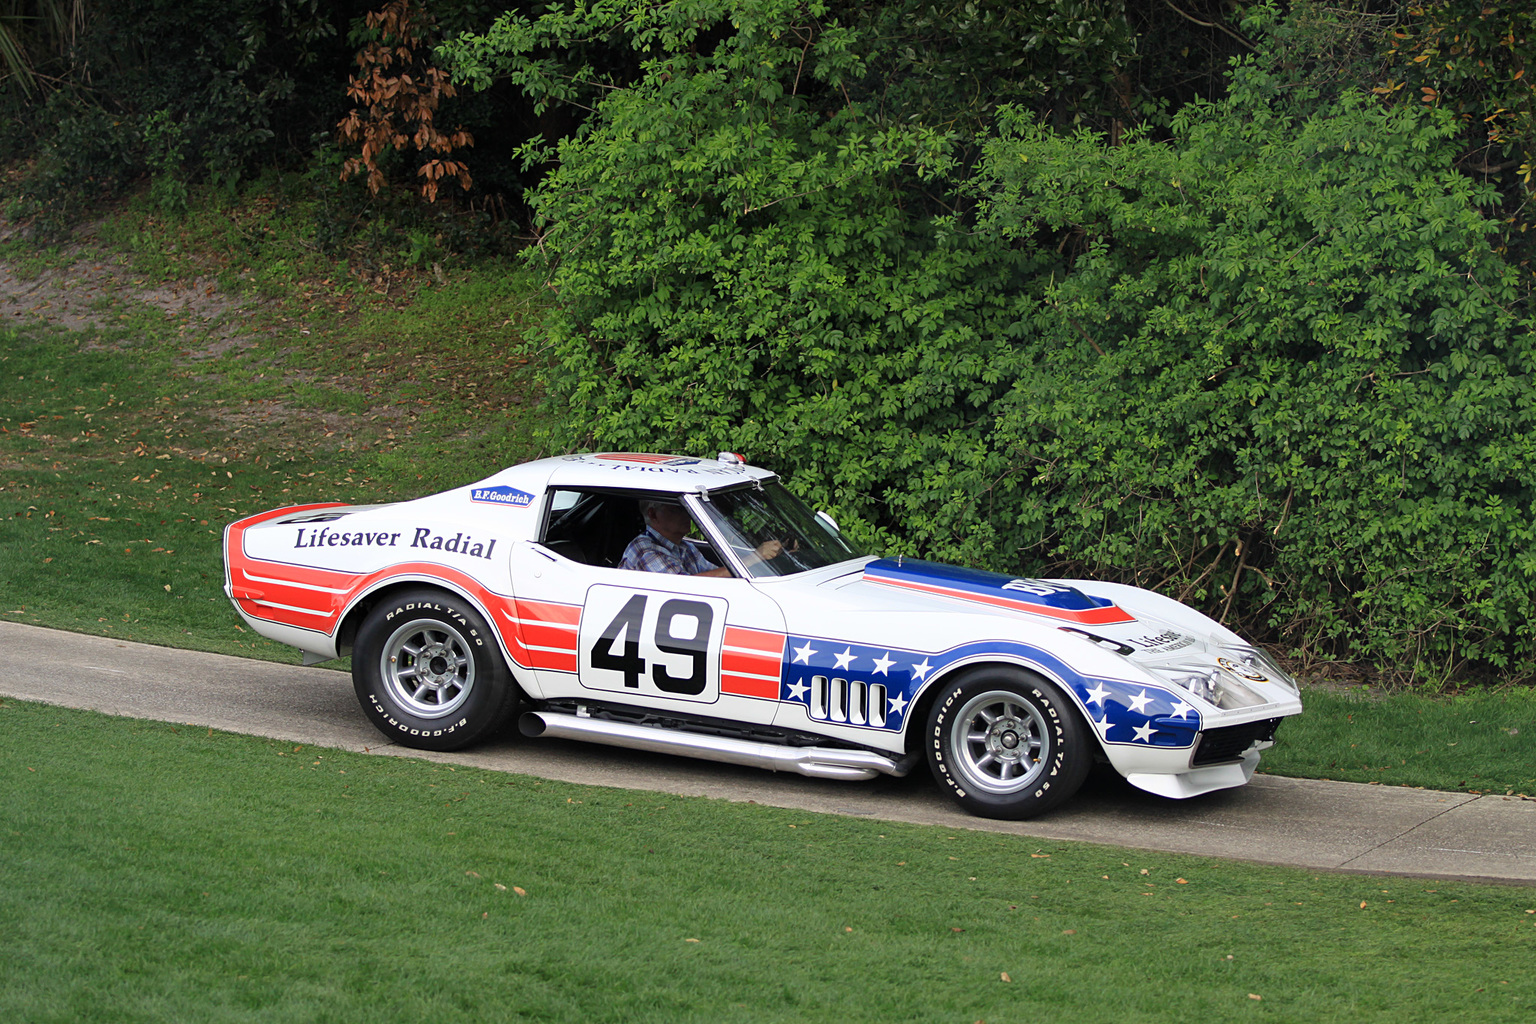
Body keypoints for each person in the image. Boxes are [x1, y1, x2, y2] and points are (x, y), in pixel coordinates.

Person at [618, 499, 781, 577]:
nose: (687, 515)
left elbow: (714, 575)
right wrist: (755, 557)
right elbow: (684, 588)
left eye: (686, 509)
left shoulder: (684, 547)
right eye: (678, 510)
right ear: (653, 514)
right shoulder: (645, 550)